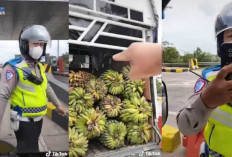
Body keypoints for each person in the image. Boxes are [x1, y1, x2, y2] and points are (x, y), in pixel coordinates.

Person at [0, 25, 66, 153]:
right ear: (24, 45)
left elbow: (47, 86)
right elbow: (2, 96)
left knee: (24, 149)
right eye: (35, 44)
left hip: (38, 119)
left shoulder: (39, 67)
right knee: (30, 150)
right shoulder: (13, 67)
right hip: (23, 121)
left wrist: (58, 105)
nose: (39, 48)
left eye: (41, 45)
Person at [177, 3, 232, 157]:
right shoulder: (210, 79)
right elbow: (185, 126)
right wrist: (206, 101)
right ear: (220, 44)